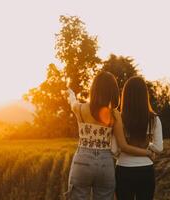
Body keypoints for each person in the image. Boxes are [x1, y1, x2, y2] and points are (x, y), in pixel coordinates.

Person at [64, 72, 154, 200]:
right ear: (113, 91)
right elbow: (123, 145)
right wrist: (147, 152)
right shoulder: (114, 115)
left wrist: (71, 95)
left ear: (93, 89)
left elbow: (72, 103)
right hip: (105, 164)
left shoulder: (80, 109)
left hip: (82, 162)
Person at [115, 76, 163, 200]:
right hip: (146, 170)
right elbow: (159, 148)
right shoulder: (154, 119)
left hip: (123, 170)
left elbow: (114, 150)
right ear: (144, 95)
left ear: (126, 95)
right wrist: (149, 146)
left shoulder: (119, 119)